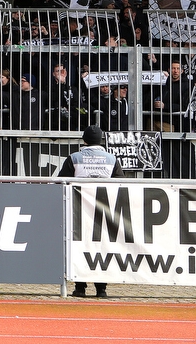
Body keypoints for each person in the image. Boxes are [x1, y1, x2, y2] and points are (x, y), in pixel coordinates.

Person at [58, 125, 124, 298]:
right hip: (103, 210)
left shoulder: (74, 158)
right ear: (101, 140)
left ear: (84, 140)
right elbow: (121, 184)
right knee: (101, 248)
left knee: (80, 246)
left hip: (78, 210)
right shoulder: (112, 159)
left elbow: (60, 181)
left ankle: (80, 288)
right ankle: (101, 289)